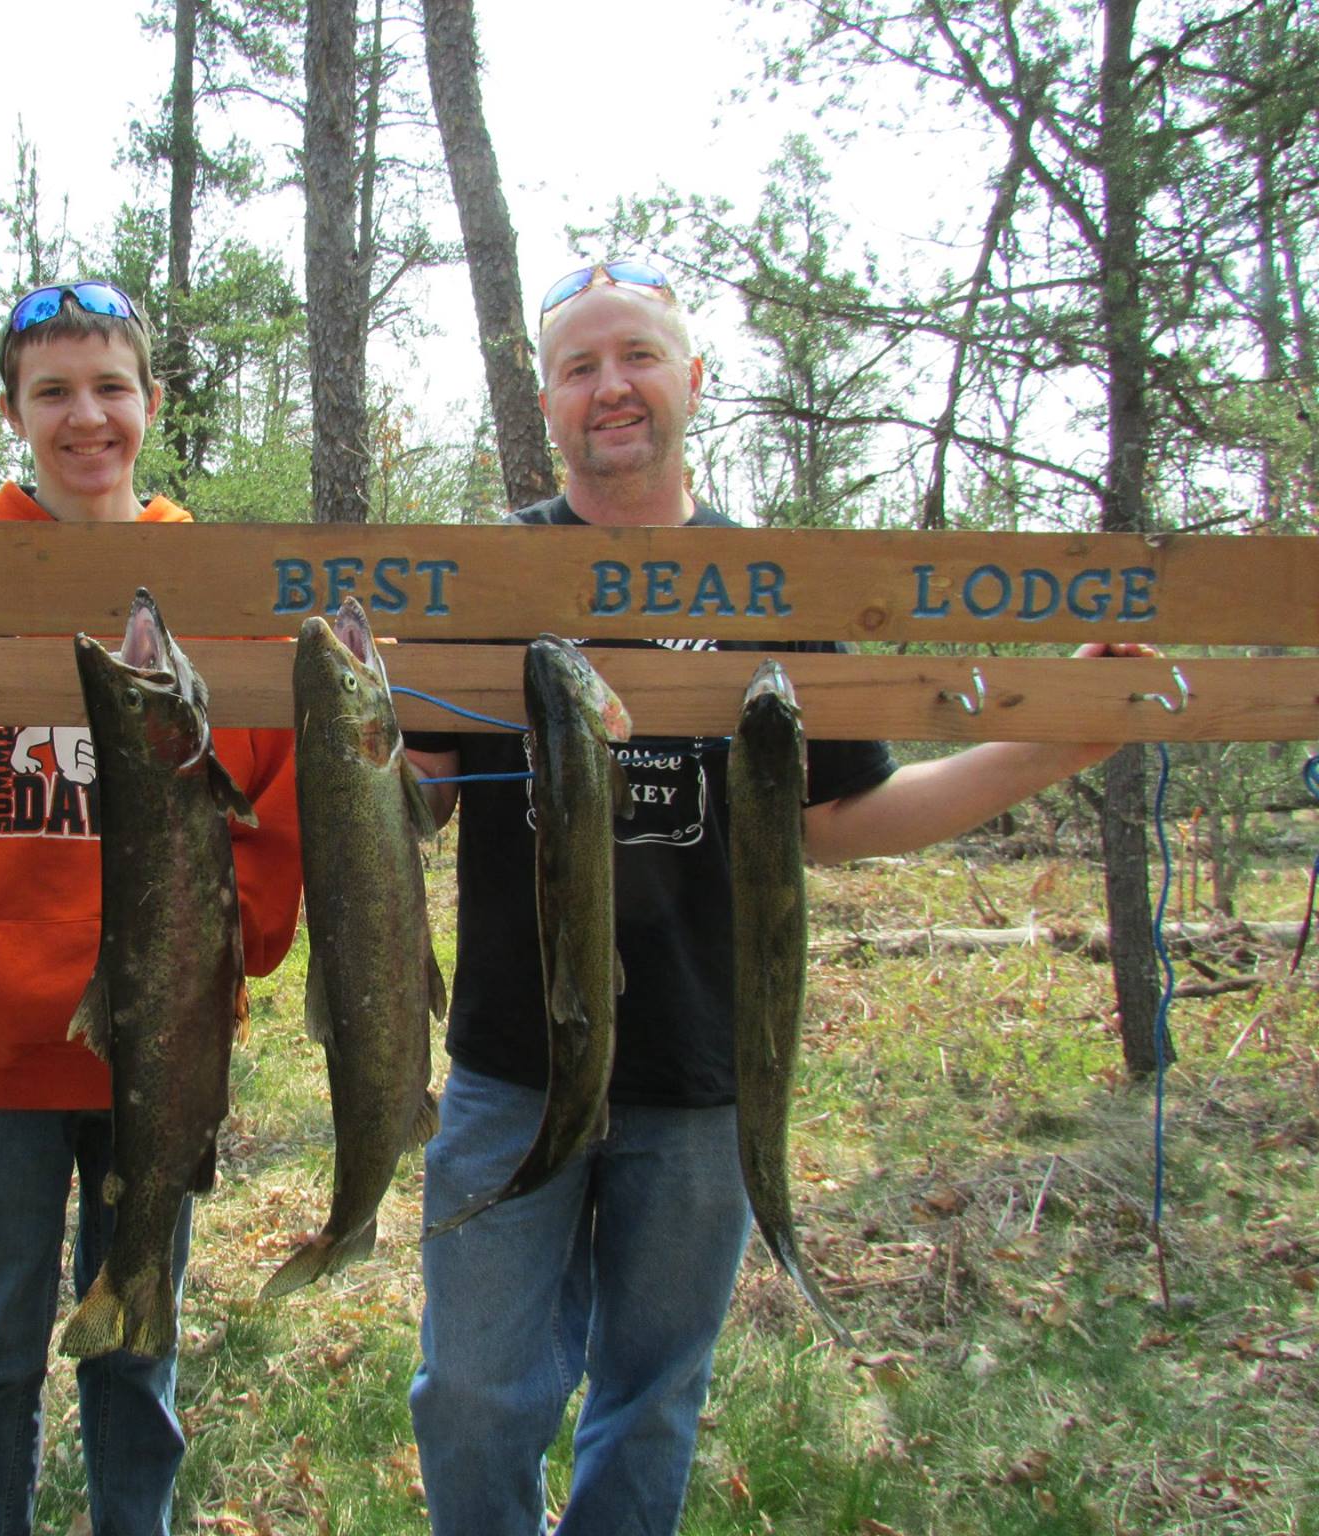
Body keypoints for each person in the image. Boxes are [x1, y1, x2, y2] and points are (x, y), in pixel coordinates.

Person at [403, 256, 1153, 1535]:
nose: (611, 388)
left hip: (707, 1073)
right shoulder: (486, 575)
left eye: (635, 355)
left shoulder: (778, 589)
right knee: (471, 1392)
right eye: (579, 367)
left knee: (650, 1396)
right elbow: (412, 794)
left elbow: (841, 820)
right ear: (545, 406)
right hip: (512, 1063)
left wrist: (1052, 746)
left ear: (693, 379)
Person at [0, 280, 303, 1536]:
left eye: (110, 387)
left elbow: (270, 806)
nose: (84, 416)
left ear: (150, 405)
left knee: (134, 1348)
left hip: (156, 1055)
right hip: (1, 1059)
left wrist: (236, 959)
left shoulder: (208, 581)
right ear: (12, 411)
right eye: (52, 391)